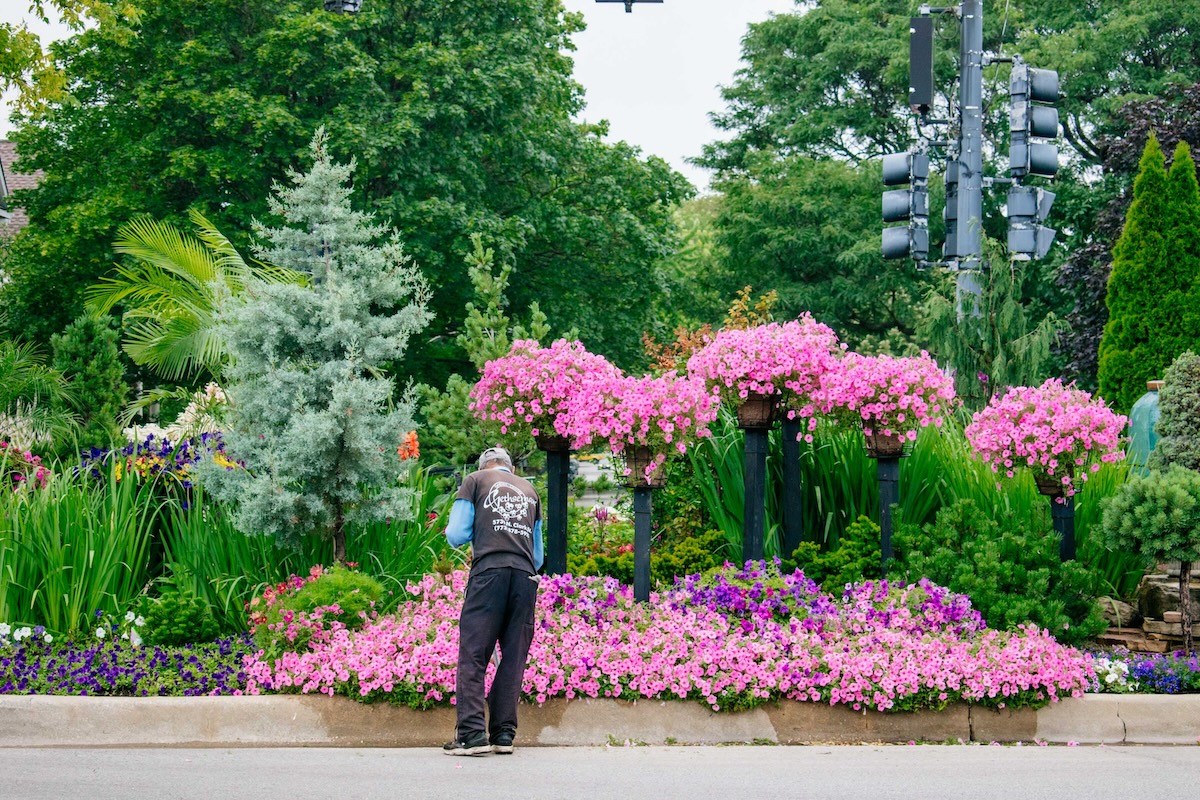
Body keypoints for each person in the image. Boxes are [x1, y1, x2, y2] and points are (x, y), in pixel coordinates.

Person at [442, 446, 544, 756]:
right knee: (512, 658)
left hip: (489, 574)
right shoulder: (531, 491)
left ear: (485, 465)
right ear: (511, 469)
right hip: (525, 579)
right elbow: (538, 556)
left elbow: (457, 534)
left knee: (473, 654)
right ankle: (503, 735)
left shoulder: (475, 480)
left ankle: (472, 736)